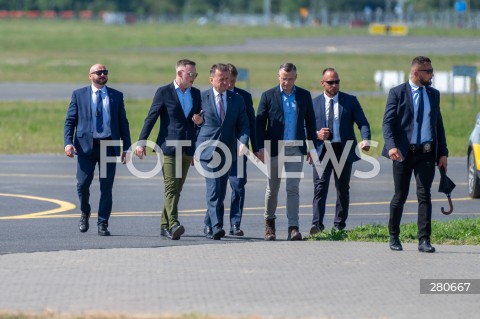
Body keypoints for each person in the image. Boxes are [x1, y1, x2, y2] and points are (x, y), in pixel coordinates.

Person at [382, 56, 448, 253]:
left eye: (432, 70)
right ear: (416, 73)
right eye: (428, 71)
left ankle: (424, 240)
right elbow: (387, 123)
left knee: (424, 196)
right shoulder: (398, 93)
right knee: (400, 196)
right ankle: (394, 236)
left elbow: (438, 124)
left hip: (426, 154)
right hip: (403, 154)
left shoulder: (434, 94)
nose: (432, 74)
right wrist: (391, 146)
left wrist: (442, 153)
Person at [135, 59, 203, 240]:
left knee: (177, 189)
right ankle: (173, 224)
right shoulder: (163, 92)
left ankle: (164, 225)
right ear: (180, 73)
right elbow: (151, 118)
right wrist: (141, 142)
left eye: (195, 74)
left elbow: (200, 120)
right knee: (171, 186)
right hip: (169, 147)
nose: (193, 78)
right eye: (190, 74)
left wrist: (199, 121)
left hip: (188, 147)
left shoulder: (196, 94)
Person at [64, 64, 131, 236]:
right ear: (90, 76)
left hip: (109, 145)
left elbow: (123, 122)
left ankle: (103, 223)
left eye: (105, 72)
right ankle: (85, 211)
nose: (102, 75)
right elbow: (70, 121)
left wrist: (127, 148)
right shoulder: (79, 95)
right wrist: (68, 143)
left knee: (106, 186)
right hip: (86, 146)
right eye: (99, 72)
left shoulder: (116, 95)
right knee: (82, 184)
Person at [255, 63, 317, 241]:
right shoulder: (268, 96)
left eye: (290, 79)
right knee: (272, 189)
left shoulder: (304, 96)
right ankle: (269, 223)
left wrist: (312, 148)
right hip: (274, 148)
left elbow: (311, 123)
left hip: (296, 148)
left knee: (293, 189)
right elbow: (259, 124)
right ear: (278, 77)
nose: (286, 83)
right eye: (283, 79)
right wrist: (259, 148)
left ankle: (293, 227)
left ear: (295, 78)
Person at [310, 68, 371, 234]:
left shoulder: (350, 101)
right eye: (330, 82)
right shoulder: (313, 103)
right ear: (323, 83)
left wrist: (365, 139)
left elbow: (363, 123)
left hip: (342, 150)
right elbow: (304, 128)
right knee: (320, 188)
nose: (334, 85)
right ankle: (317, 225)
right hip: (322, 150)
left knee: (342, 189)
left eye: (337, 82)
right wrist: (317, 134)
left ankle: (339, 225)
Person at [197, 63, 250, 240]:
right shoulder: (201, 97)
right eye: (222, 79)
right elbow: (190, 124)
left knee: (220, 191)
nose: (226, 82)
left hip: (228, 152)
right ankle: (217, 225)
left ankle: (208, 224)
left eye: (228, 79)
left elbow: (244, 124)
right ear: (211, 79)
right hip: (207, 151)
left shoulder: (237, 100)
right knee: (213, 189)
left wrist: (243, 142)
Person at [226, 63, 258, 236]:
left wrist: (256, 147)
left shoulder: (244, 96)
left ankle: (235, 224)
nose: (229, 84)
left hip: (239, 149)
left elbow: (251, 123)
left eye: (232, 81)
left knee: (238, 185)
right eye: (225, 80)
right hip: (219, 150)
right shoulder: (211, 95)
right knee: (216, 188)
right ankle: (212, 223)